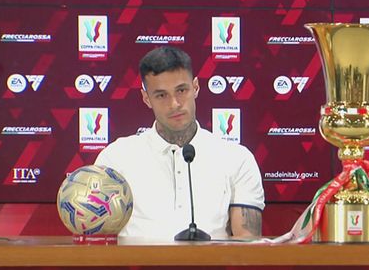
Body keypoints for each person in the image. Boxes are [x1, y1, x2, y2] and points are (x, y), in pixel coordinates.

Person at [95, 46, 264, 240]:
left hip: (213, 261)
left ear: (196, 88)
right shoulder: (115, 158)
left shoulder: (237, 158)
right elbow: (97, 239)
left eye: (181, 90)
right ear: (146, 99)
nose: (174, 104)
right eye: (161, 95)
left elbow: (247, 242)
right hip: (134, 260)